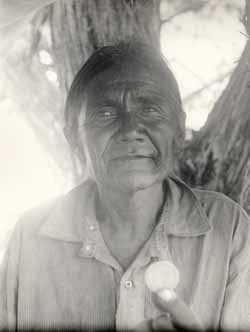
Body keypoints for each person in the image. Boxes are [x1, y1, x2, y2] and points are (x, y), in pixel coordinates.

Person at [0, 2, 250, 332]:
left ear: (177, 129)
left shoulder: (228, 229)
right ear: (74, 138)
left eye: (150, 110)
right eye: (105, 114)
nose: (131, 129)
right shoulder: (29, 238)